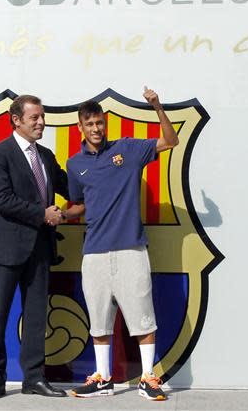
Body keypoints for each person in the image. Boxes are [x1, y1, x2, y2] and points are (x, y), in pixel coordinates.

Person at [65, 87, 179, 401]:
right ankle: (102, 378)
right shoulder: (75, 165)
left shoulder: (127, 149)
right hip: (94, 253)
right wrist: (59, 214)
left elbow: (171, 141)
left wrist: (157, 106)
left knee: (143, 316)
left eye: (99, 122)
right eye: (89, 124)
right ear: (81, 127)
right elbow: (78, 204)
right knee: (99, 321)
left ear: (105, 123)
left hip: (131, 248)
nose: (96, 128)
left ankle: (148, 377)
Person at [0, 95, 69, 399]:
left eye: (42, 116)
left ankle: (34, 378)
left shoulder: (46, 155)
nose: (42, 122)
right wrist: (42, 213)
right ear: (16, 120)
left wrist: (104, 170)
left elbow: (68, 187)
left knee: (35, 317)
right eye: (35, 118)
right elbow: (3, 200)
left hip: (40, 250)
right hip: (5, 249)